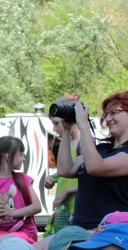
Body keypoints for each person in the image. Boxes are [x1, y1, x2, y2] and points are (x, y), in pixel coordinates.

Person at [55, 91, 128, 229]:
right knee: (32, 244)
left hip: (115, 230)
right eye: (106, 114)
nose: (108, 119)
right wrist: (67, 130)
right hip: (81, 228)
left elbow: (96, 167)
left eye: (114, 112)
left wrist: (83, 125)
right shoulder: (101, 149)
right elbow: (65, 169)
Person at [0, 136, 41, 244]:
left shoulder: (23, 179)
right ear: (8, 157)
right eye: (21, 154)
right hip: (0, 233)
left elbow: (37, 207)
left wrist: (11, 213)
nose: (24, 159)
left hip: (24, 232)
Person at [44, 96, 80, 236]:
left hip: (77, 210)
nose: (54, 128)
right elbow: (65, 172)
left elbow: (94, 180)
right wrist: (52, 178)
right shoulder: (67, 144)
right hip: (63, 211)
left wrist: (68, 191)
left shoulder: (84, 145)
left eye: (56, 123)